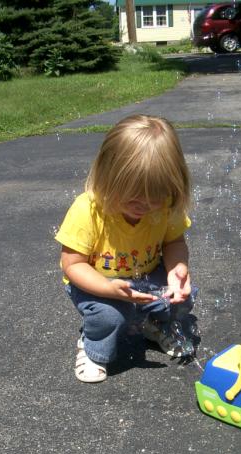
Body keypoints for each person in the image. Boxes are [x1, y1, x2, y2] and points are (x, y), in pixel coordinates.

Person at [55, 114, 196, 383]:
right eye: (133, 196)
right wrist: (108, 289)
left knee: (182, 297)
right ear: (108, 177)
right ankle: (93, 346)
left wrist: (177, 268)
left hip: (145, 276)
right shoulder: (88, 210)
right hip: (96, 282)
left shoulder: (166, 205)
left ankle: (153, 325)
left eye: (154, 196)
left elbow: (174, 242)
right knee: (110, 317)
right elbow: (72, 265)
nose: (144, 205)